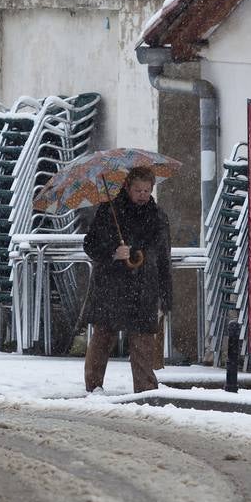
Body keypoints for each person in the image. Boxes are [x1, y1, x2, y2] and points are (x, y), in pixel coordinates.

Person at [81, 165, 172, 393]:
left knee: (143, 341)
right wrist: (113, 252)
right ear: (127, 187)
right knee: (103, 337)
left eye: (147, 190)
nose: (143, 195)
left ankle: (146, 390)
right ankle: (93, 387)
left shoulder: (158, 216)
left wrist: (165, 296)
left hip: (144, 287)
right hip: (111, 285)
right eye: (138, 190)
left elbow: (164, 258)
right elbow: (90, 244)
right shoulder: (110, 210)